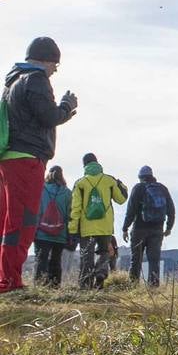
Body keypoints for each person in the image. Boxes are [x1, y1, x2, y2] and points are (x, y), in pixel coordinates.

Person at [0, 37, 77, 292]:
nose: (55, 69)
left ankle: (7, 276)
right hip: (27, 158)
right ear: (46, 60)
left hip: (10, 157)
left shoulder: (12, 81)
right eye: (55, 63)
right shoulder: (36, 79)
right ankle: (9, 280)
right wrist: (66, 107)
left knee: (8, 219)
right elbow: (48, 116)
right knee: (23, 221)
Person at [69, 153, 127, 290]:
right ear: (97, 163)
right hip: (105, 226)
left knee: (86, 256)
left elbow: (75, 208)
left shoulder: (80, 183)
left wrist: (72, 229)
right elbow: (121, 199)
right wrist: (121, 184)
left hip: (86, 227)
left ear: (84, 166)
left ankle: (85, 286)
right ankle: (101, 273)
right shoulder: (109, 180)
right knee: (104, 252)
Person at [122, 165, 176, 287]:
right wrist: (169, 227)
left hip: (139, 229)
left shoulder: (138, 188)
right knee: (154, 260)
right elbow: (171, 209)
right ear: (152, 176)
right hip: (157, 230)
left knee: (136, 259)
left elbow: (131, 210)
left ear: (140, 177)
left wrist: (125, 228)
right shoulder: (162, 189)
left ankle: (133, 286)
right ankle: (153, 287)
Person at [32, 166, 73, 288]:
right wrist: (69, 234)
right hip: (60, 234)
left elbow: (36, 212)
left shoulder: (41, 190)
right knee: (56, 261)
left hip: (41, 233)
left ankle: (39, 286)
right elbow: (69, 215)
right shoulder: (67, 193)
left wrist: (33, 230)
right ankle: (54, 287)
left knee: (41, 261)